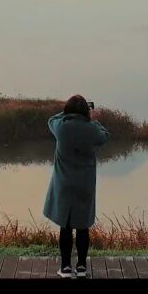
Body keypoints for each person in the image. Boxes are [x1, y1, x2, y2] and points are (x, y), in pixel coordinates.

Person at [43, 94, 110, 278]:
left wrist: (66, 112)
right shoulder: (92, 129)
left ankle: (65, 268)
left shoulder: (61, 127)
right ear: (85, 112)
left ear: (68, 111)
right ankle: (81, 267)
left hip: (64, 184)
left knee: (65, 226)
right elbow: (105, 136)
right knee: (83, 226)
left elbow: (52, 119)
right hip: (85, 184)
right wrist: (93, 120)